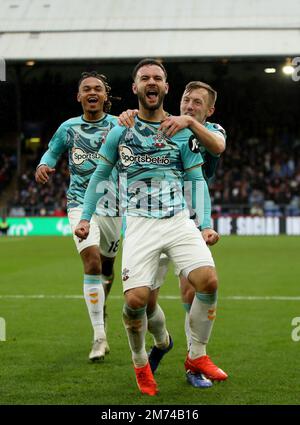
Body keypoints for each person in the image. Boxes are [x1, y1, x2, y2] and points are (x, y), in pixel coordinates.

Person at [75, 59, 227, 396]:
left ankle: (197, 357)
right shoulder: (121, 129)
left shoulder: (181, 130)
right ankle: (141, 361)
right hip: (140, 224)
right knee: (137, 301)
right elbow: (99, 176)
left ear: (166, 87)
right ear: (135, 88)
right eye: (145, 78)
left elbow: (196, 180)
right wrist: (86, 217)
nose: (151, 82)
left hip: (177, 221)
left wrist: (205, 224)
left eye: (158, 77)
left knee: (208, 281)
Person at [118, 80, 226, 388]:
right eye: (186, 101)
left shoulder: (212, 130)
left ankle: (195, 365)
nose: (189, 106)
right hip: (148, 219)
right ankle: (162, 341)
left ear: (209, 110)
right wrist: (128, 116)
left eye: (197, 103)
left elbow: (217, 147)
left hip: (187, 218)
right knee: (145, 301)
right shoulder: (163, 127)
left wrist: (190, 122)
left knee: (194, 289)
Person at [35, 71, 121, 361]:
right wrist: (43, 165)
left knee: (108, 269)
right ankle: (99, 336)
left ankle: (101, 310)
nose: (92, 92)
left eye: (98, 88)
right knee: (92, 262)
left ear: (105, 96)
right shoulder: (68, 128)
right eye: (87, 89)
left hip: (113, 206)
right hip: (78, 204)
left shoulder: (119, 125)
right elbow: (51, 152)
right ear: (79, 96)